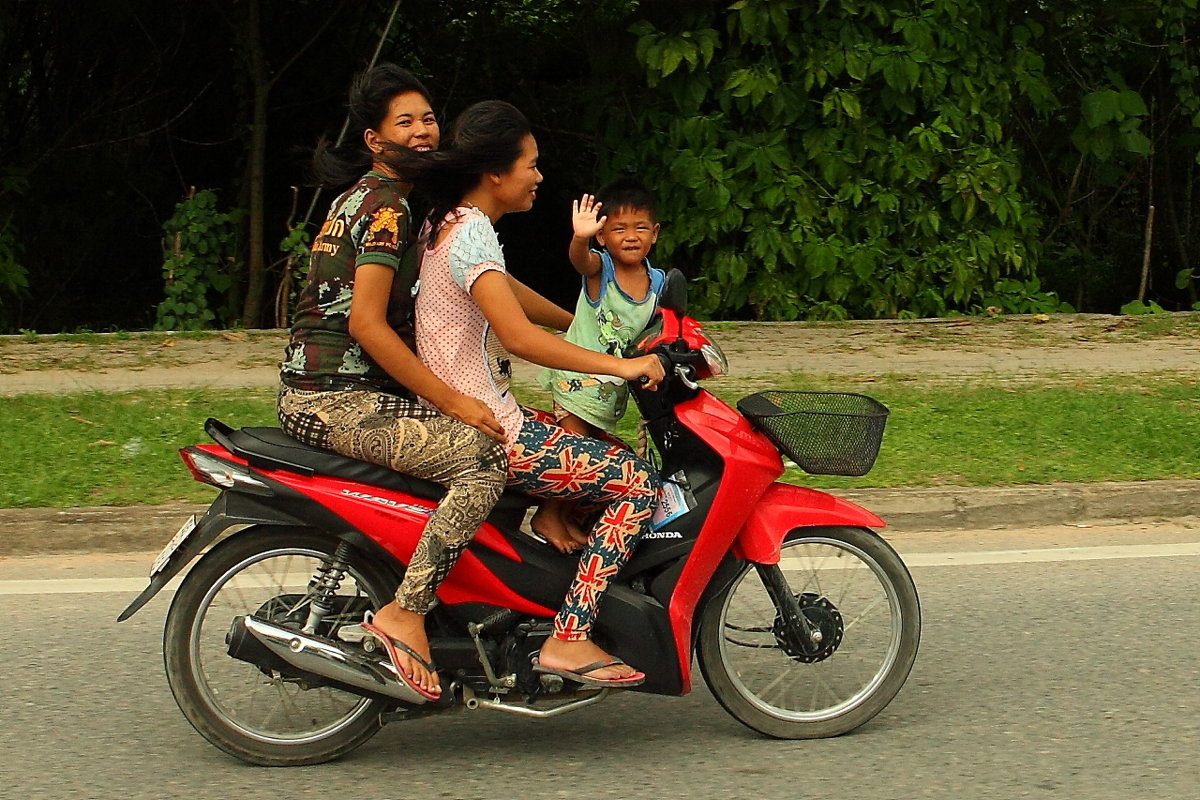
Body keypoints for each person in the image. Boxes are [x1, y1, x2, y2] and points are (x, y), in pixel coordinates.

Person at [276, 66, 569, 700]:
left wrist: (579, 326)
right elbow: (368, 325)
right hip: (334, 398)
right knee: (485, 455)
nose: (422, 131)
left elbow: (496, 285)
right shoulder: (385, 207)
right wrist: (454, 399)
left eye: (428, 118)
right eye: (403, 122)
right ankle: (404, 611)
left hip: (359, 392)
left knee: (517, 430)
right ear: (375, 141)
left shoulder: (413, 203)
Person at [394, 100, 665, 687]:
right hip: (486, 426)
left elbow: (511, 295)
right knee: (633, 481)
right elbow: (518, 337)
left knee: (575, 430)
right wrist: (618, 365)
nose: (540, 177)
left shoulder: (450, 222)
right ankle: (570, 638)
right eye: (532, 165)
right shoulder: (471, 233)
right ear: (497, 173)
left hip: (473, 411)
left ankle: (545, 537)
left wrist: (583, 322)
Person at [533, 179, 666, 551]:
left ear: (654, 234)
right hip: (577, 381)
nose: (630, 236)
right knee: (576, 455)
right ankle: (548, 516)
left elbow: (660, 328)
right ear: (604, 236)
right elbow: (581, 260)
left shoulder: (656, 282)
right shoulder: (601, 269)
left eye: (640, 228)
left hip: (610, 390)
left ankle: (563, 519)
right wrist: (580, 239)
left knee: (590, 457)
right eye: (619, 229)